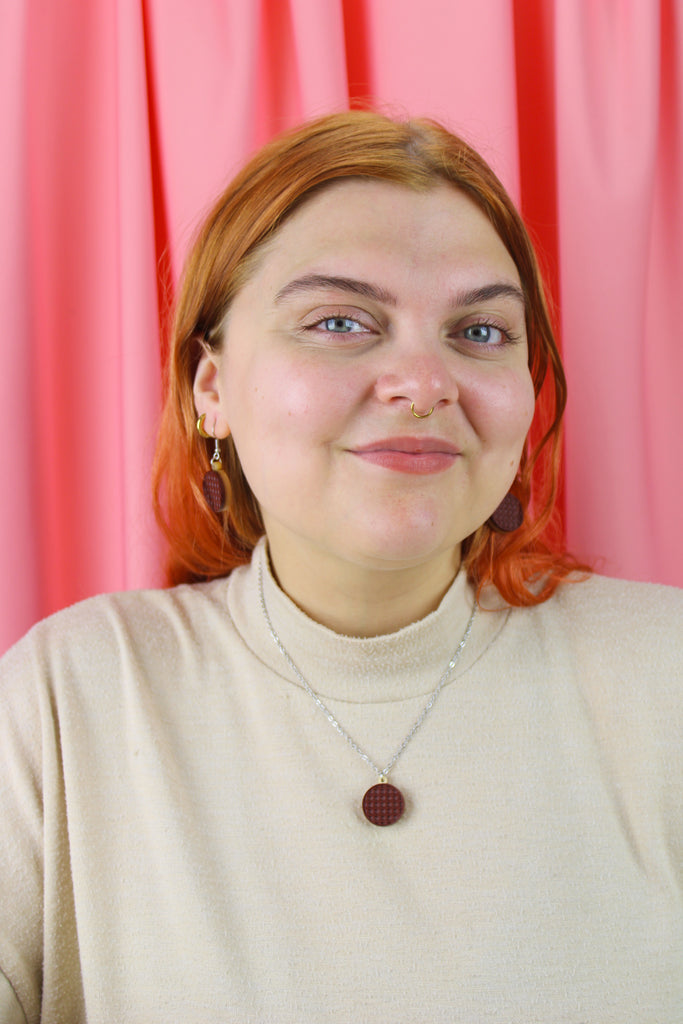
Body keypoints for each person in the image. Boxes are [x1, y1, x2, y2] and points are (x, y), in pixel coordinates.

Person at [1, 111, 681, 1024]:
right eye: (339, 321)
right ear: (211, 388)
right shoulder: (71, 695)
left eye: (480, 332)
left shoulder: (661, 673)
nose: (423, 381)